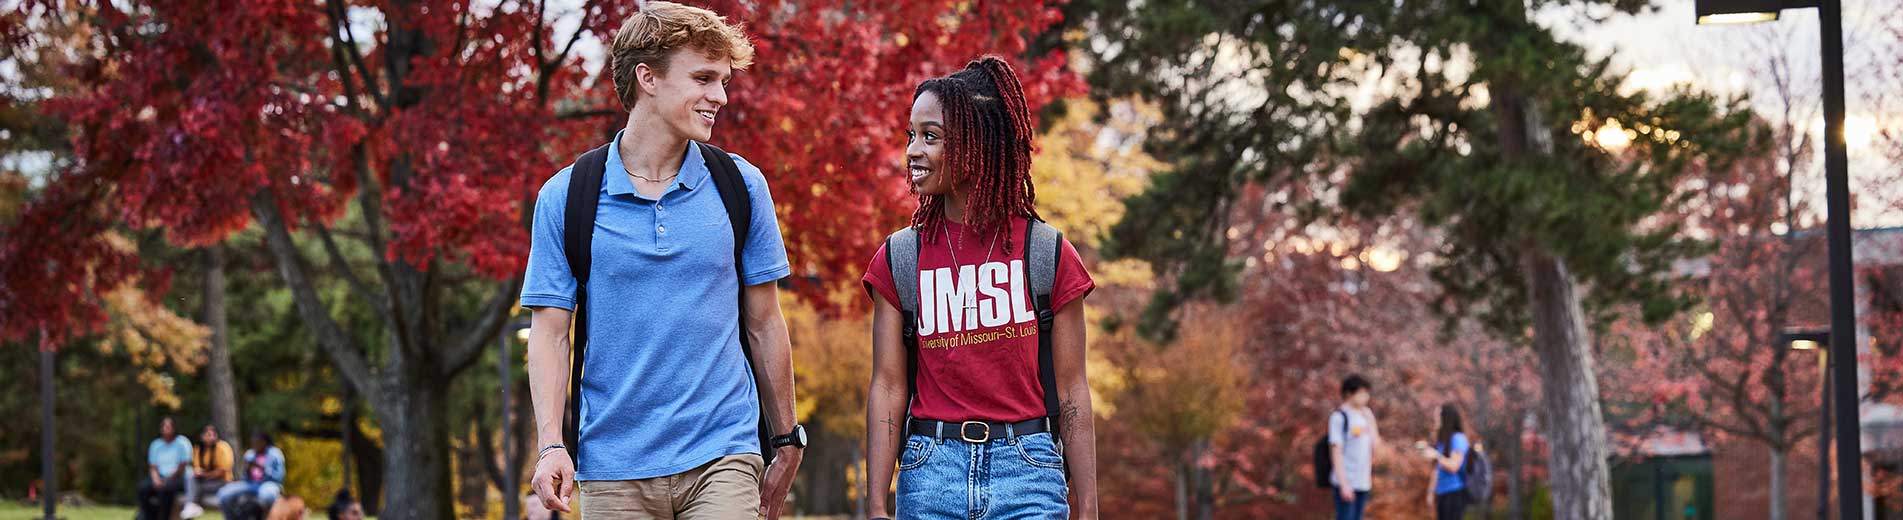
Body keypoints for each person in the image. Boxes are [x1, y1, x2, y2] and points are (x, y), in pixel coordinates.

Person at [521, 2, 803, 518]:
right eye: (703, 78)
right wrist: (550, 443)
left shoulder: (741, 186)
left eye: (722, 80)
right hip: (613, 463)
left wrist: (785, 436)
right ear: (647, 78)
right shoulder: (567, 196)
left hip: (723, 452)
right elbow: (550, 334)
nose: (719, 96)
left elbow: (765, 323)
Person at [862, 56, 1101, 520]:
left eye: (930, 137)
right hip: (930, 471)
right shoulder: (900, 258)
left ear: (978, 146)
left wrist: (1088, 507)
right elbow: (887, 386)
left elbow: (1073, 390)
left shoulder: (1046, 254)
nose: (913, 151)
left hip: (1029, 471)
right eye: (910, 135)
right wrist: (875, 505)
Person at [1328, 375, 1379, 520]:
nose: (1366, 397)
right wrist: (1344, 484)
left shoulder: (1365, 416)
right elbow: (1336, 453)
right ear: (1349, 393)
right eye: (1362, 393)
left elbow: (1376, 446)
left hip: (1363, 482)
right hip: (1346, 482)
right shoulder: (1339, 417)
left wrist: (1371, 421)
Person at [1420, 403, 1473, 520]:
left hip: (1455, 492)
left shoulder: (1458, 438)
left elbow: (1454, 466)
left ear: (1446, 418)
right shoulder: (1442, 441)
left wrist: (1436, 455)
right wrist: (1431, 492)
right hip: (1442, 492)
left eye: (1438, 415)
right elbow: (1437, 470)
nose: (1435, 418)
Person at [136, 416, 194, 520]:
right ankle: (148, 516)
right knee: (143, 488)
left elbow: (182, 465)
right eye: (164, 426)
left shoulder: (182, 442)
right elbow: (153, 466)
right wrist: (156, 479)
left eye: (168, 426)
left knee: (165, 490)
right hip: (159, 476)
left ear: (174, 428)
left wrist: (166, 480)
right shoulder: (156, 444)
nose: (166, 429)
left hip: (178, 477)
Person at [216, 431, 286, 512]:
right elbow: (243, 478)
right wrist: (247, 470)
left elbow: (279, 477)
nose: (254, 445)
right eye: (253, 442)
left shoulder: (275, 454)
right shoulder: (250, 454)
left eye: (257, 442)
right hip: (250, 484)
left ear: (264, 442)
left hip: (269, 484)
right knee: (224, 494)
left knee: (266, 496)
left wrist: (262, 468)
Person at [191, 424, 234, 505]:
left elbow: (222, 471)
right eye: (207, 435)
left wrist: (206, 475)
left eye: (213, 435)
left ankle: (193, 505)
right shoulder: (198, 449)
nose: (211, 438)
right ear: (202, 436)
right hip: (205, 480)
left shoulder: (223, 447)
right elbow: (197, 468)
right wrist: (198, 472)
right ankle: (191, 506)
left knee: (198, 488)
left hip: (222, 481)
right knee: (191, 478)